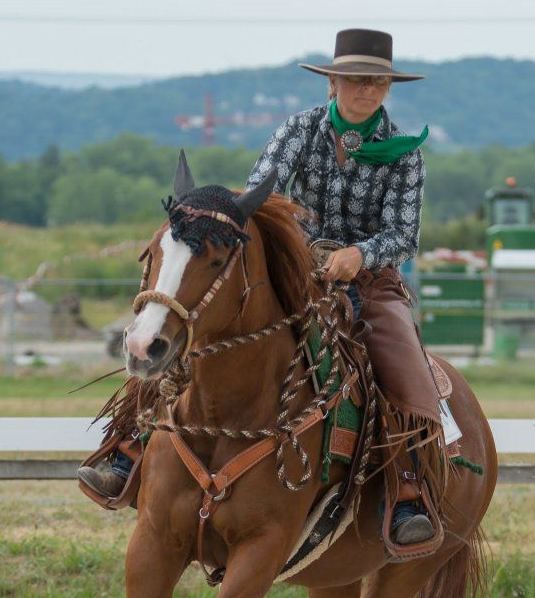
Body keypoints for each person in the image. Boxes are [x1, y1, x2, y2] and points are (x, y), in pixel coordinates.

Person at [79, 29, 441, 548]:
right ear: (333, 83)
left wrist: (358, 254)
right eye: (358, 79)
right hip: (293, 263)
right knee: (193, 324)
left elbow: (404, 235)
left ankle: (407, 491)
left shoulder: (406, 153)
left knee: (404, 369)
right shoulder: (299, 130)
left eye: (379, 81)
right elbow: (262, 192)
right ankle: (128, 447)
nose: (369, 89)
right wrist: (293, 245)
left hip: (368, 278)